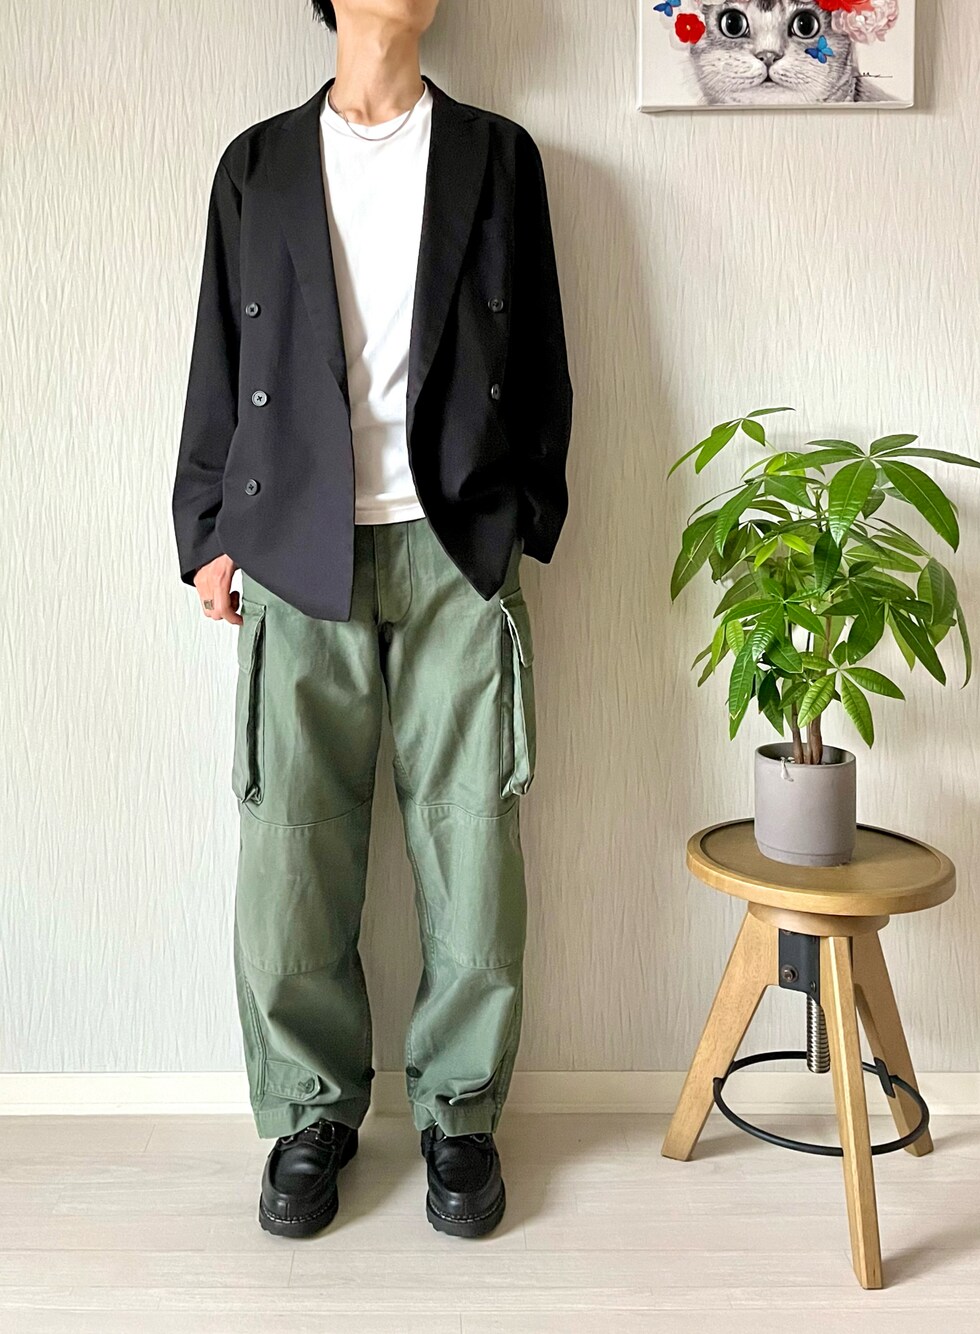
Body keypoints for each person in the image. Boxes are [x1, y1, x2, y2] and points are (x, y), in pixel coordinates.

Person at [171, 0, 572, 1240]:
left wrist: (524, 510)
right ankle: (311, 1111)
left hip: (455, 543)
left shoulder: (498, 155)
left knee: (472, 834)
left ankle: (460, 1111)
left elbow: (543, 349)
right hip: (296, 542)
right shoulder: (258, 164)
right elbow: (217, 358)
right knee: (292, 840)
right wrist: (208, 527)